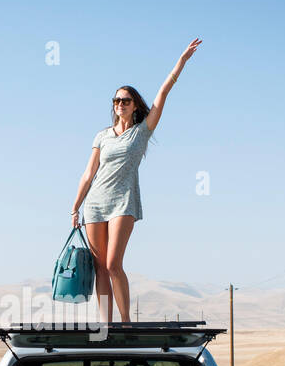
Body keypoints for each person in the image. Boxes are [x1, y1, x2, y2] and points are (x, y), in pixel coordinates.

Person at [71, 38, 202, 324]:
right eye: (116, 100)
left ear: (134, 105)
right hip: (94, 204)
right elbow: (88, 172)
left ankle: (126, 322)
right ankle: (104, 326)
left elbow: (164, 92)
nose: (119, 104)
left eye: (125, 100)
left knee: (114, 264)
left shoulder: (142, 131)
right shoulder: (102, 135)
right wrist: (75, 207)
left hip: (123, 203)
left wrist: (181, 61)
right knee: (99, 268)